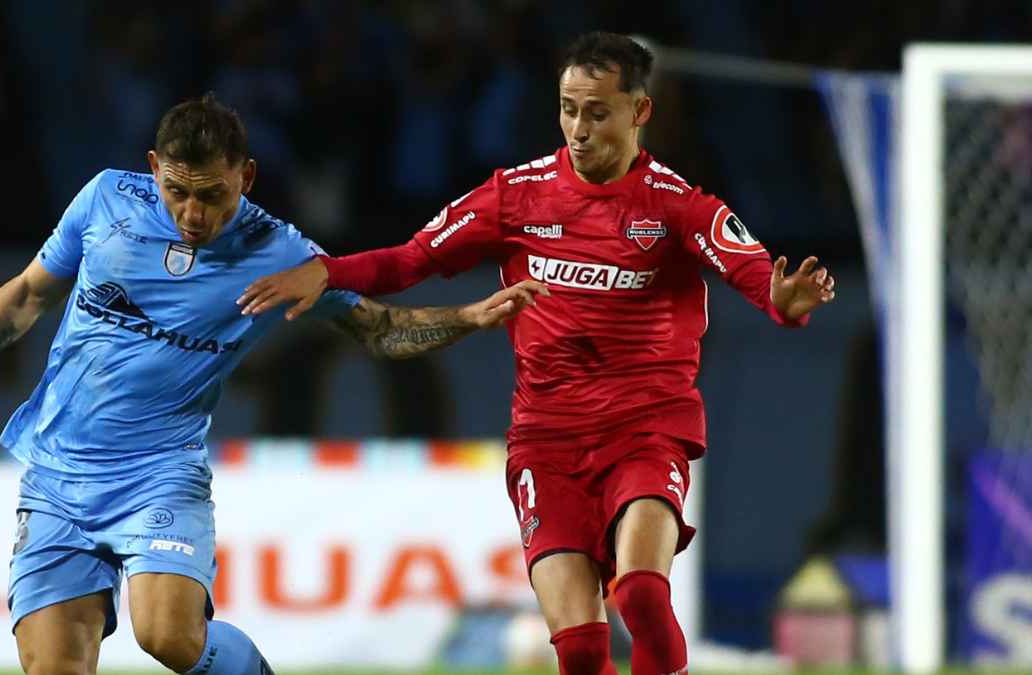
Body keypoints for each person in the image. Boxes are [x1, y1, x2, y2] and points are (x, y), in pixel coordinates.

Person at [237, 32, 836, 675]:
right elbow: (409, 259)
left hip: (645, 426)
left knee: (639, 592)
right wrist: (324, 271)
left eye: (597, 111)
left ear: (639, 112)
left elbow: (752, 273)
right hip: (545, 441)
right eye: (567, 108)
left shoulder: (678, 206)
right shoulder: (515, 195)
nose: (578, 128)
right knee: (579, 651)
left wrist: (784, 301)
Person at [0, 93, 546, 675]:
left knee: (170, 636)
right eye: (177, 191)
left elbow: (376, 329)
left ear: (247, 176)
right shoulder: (103, 201)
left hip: (159, 471)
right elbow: (27, 294)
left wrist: (467, 317)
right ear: (154, 166)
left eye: (212, 195)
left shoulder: (279, 253)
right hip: (55, 475)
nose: (192, 212)